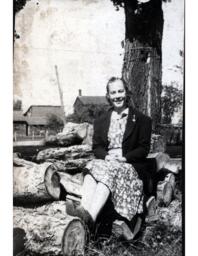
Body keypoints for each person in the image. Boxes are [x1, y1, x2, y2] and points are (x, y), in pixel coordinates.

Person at [66, 77, 152, 240]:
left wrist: (124, 158)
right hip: (107, 162)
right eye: (113, 93)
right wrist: (106, 156)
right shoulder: (101, 120)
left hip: (129, 165)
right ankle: (85, 216)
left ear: (126, 93)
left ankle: (87, 222)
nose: (117, 96)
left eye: (120, 91)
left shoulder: (142, 120)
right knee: (91, 169)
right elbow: (97, 147)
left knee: (106, 171)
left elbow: (143, 149)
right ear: (108, 95)